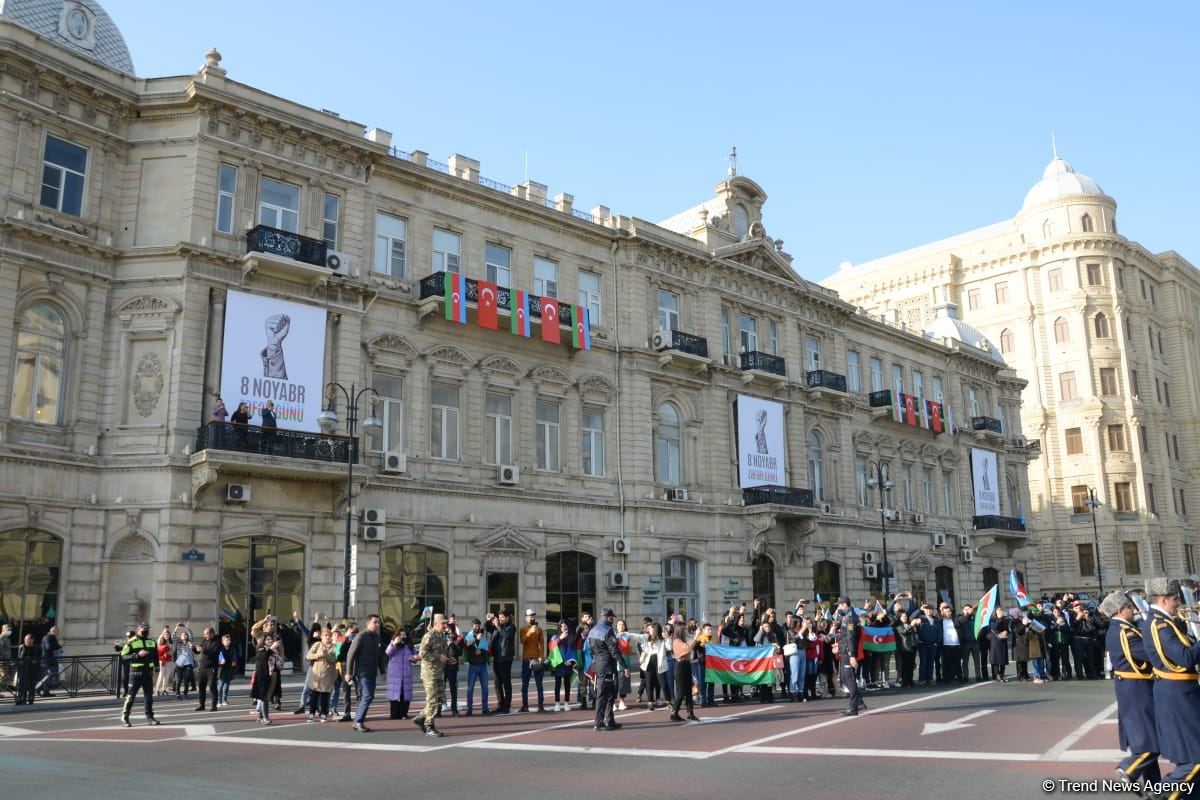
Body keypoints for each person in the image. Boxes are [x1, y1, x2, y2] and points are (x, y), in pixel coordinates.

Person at [1141, 578, 1200, 794]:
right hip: (1177, 696)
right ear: (1164, 600)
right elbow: (1184, 658)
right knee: (1192, 760)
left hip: (1185, 693)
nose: (1178, 603)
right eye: (1176, 599)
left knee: (1194, 757)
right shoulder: (1159, 624)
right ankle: (1160, 793)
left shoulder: (1168, 621)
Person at [1100, 590, 1160, 785]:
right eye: (1128, 607)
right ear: (1119, 610)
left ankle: (1153, 786)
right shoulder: (1123, 632)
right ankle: (1129, 769)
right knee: (1151, 741)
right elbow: (1149, 654)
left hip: (1134, 688)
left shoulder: (1124, 628)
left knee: (1145, 740)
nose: (1132, 609)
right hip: (1137, 690)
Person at [587, 607, 625, 731]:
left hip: (597, 664)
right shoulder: (608, 631)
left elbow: (590, 648)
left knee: (605, 693)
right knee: (607, 694)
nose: (612, 619)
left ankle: (609, 720)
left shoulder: (592, 630)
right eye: (612, 617)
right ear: (608, 617)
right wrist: (624, 665)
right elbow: (614, 650)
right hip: (608, 665)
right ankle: (600, 722)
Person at [345, 613, 384, 733]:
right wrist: (349, 672)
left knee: (367, 696)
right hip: (362, 673)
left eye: (378, 622)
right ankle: (359, 721)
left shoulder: (377, 637)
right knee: (367, 696)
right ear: (368, 623)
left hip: (372, 672)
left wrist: (382, 671)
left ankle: (357, 720)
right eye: (375, 622)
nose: (377, 625)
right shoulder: (361, 636)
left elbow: (379, 656)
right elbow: (351, 655)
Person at [120, 622, 160, 726]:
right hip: (135, 673)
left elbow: (156, 656)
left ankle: (150, 717)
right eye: (143, 631)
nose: (146, 632)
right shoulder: (131, 642)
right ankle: (125, 717)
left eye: (147, 630)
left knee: (149, 697)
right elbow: (123, 657)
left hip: (148, 673)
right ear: (138, 630)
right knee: (131, 696)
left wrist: (157, 669)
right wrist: (137, 655)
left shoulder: (152, 642)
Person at [416, 613, 449, 737]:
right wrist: (438, 657)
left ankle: (421, 717)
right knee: (432, 700)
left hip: (439, 672)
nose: (445, 626)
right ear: (436, 624)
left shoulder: (441, 636)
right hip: (430, 673)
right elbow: (423, 653)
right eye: (443, 623)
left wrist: (448, 659)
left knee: (439, 699)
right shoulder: (429, 636)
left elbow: (441, 653)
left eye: (446, 623)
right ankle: (429, 725)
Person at [835, 598, 866, 716]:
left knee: (849, 679)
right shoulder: (847, 616)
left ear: (844, 605)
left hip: (848, 654)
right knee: (843, 677)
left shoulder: (850, 618)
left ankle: (853, 707)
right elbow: (845, 637)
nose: (838, 608)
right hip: (844, 651)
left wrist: (852, 655)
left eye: (839, 606)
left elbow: (851, 638)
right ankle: (859, 702)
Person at [669, 617, 701, 722]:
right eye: (684, 630)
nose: (686, 631)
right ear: (679, 630)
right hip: (680, 666)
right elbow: (688, 647)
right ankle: (674, 712)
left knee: (688, 691)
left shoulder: (682, 639)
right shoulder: (676, 641)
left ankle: (690, 712)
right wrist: (696, 637)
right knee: (681, 692)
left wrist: (697, 634)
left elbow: (691, 644)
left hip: (687, 664)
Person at [485, 610, 517, 713]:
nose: (500, 619)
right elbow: (488, 628)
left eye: (502, 617)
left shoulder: (511, 627)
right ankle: (500, 703)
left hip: (506, 658)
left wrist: (498, 626)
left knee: (506, 682)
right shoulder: (496, 626)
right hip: (497, 657)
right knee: (497, 682)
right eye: (499, 617)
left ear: (507, 617)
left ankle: (507, 705)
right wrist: (488, 621)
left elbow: (507, 636)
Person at [306, 627, 337, 722]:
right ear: (322, 636)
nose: (328, 637)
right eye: (325, 635)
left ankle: (324, 714)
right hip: (316, 674)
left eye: (329, 635)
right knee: (314, 695)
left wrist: (327, 655)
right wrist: (318, 655)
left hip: (328, 674)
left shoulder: (334, 647)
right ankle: (311, 714)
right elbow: (308, 655)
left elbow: (335, 659)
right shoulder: (317, 644)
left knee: (325, 696)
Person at [251, 634, 283, 725]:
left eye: (271, 640)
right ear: (263, 641)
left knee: (266, 697)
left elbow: (279, 663)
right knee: (264, 697)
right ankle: (265, 718)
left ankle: (260, 717)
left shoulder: (275, 651)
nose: (270, 641)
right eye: (268, 640)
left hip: (273, 675)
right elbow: (263, 657)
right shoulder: (262, 649)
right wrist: (272, 648)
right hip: (263, 676)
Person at [518, 608, 546, 713]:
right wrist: (530, 632)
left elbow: (542, 643)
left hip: (536, 659)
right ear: (526, 618)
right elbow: (522, 641)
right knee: (525, 684)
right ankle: (525, 705)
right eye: (530, 616)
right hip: (526, 659)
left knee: (539, 684)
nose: (532, 618)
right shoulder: (523, 629)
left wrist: (541, 656)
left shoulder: (539, 629)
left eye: (534, 616)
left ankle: (541, 705)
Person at [385, 628, 415, 720]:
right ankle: (394, 714)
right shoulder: (393, 643)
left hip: (406, 673)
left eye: (404, 634)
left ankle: (404, 713)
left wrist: (413, 658)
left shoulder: (409, 645)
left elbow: (415, 657)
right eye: (400, 635)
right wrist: (394, 643)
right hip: (395, 673)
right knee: (394, 694)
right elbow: (388, 652)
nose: (402, 637)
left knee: (405, 694)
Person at [463, 619, 490, 715]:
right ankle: (469, 709)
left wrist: (482, 651)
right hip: (473, 666)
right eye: (476, 625)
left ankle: (485, 708)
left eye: (479, 626)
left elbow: (487, 650)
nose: (478, 627)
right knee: (470, 688)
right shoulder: (469, 636)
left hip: (482, 666)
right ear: (472, 625)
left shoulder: (483, 637)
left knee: (485, 688)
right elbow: (466, 645)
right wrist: (476, 639)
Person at [193, 627, 224, 711]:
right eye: (204, 634)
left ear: (212, 634)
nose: (205, 635)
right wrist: (194, 648)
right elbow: (198, 651)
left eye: (206, 634)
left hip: (211, 668)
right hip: (202, 667)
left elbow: (213, 652)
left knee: (212, 686)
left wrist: (203, 649)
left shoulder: (217, 642)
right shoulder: (204, 640)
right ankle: (201, 705)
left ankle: (214, 706)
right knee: (201, 686)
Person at [550, 621, 577, 712]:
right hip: (558, 663)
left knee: (567, 684)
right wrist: (560, 638)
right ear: (559, 628)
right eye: (561, 626)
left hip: (568, 663)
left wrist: (571, 662)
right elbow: (551, 647)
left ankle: (566, 703)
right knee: (557, 684)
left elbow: (574, 651)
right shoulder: (555, 637)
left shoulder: (571, 637)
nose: (564, 628)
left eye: (565, 626)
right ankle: (557, 703)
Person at [36, 625, 61, 697]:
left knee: (49, 676)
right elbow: (49, 647)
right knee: (49, 676)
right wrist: (59, 646)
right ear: (53, 631)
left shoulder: (49, 637)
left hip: (48, 660)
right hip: (48, 661)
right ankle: (39, 688)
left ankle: (45, 691)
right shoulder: (50, 637)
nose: (57, 632)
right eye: (56, 631)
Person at [16, 633, 39, 706]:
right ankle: (21, 699)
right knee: (22, 684)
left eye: (27, 639)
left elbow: (38, 658)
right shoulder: (22, 647)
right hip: (23, 669)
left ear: (32, 640)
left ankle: (31, 699)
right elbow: (19, 657)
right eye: (25, 639)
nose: (25, 641)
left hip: (32, 669)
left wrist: (32, 660)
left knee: (32, 684)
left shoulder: (36, 648)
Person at [174, 629, 196, 700]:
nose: (184, 635)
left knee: (186, 680)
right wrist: (176, 629)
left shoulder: (189, 643)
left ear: (187, 636)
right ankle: (177, 694)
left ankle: (185, 694)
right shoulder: (178, 643)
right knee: (179, 679)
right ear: (180, 637)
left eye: (185, 634)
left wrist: (188, 629)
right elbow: (173, 637)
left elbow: (191, 636)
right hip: (179, 664)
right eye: (182, 635)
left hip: (188, 664)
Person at [217, 632, 238, 707]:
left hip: (229, 669)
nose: (228, 641)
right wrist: (220, 661)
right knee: (221, 685)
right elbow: (218, 658)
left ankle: (224, 700)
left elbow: (235, 657)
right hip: (221, 669)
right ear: (223, 641)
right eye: (226, 640)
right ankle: (219, 701)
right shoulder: (220, 649)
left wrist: (234, 662)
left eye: (229, 640)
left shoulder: (232, 649)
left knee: (227, 685)